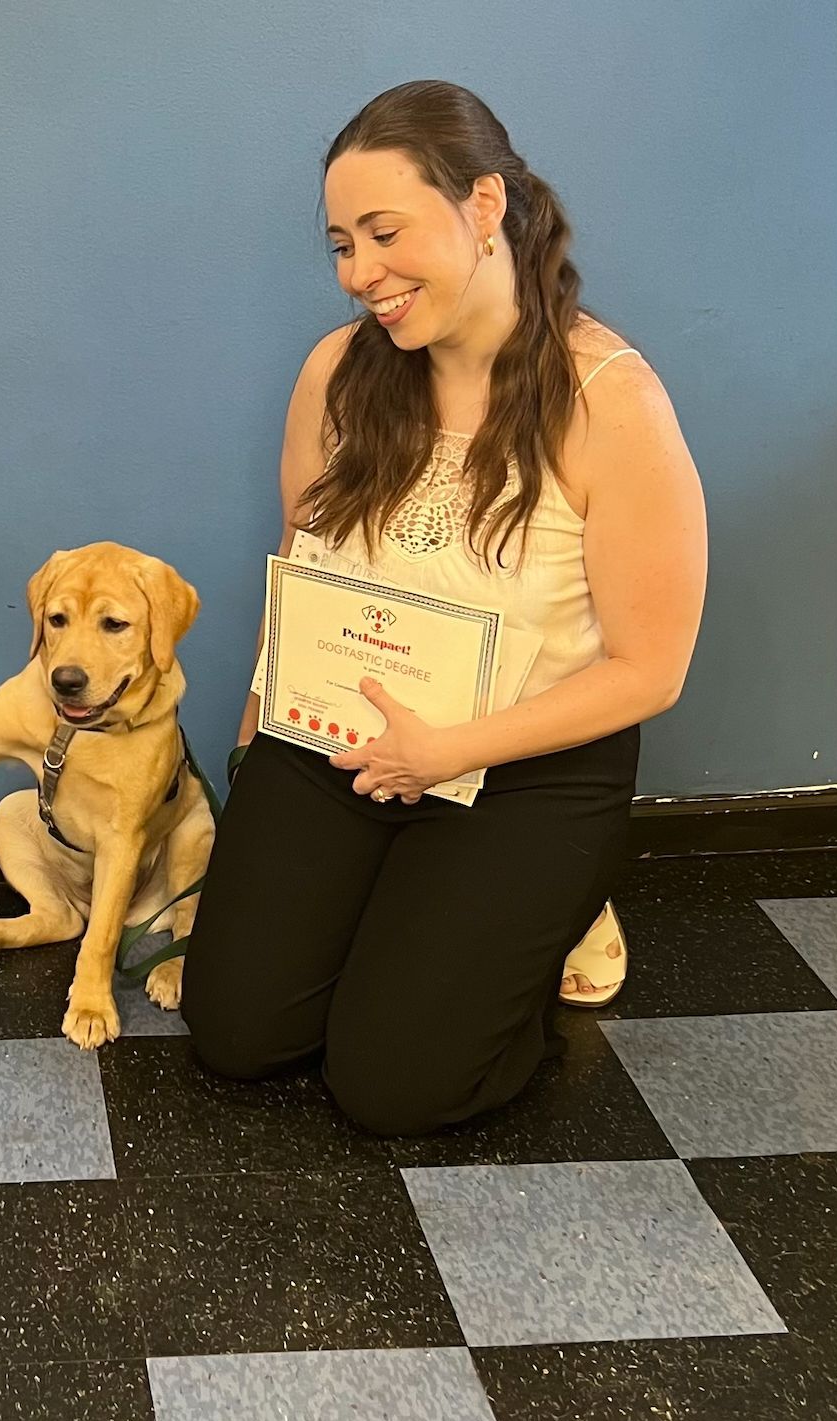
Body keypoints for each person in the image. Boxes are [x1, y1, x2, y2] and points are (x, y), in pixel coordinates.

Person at [180, 82, 706, 1134]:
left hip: (523, 768)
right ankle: (410, 918)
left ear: (480, 208)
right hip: (336, 741)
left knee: (395, 1085)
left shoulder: (610, 399)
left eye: (383, 232)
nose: (358, 273)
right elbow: (302, 569)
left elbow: (650, 671)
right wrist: (250, 742)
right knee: (236, 1034)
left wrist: (446, 751)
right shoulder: (336, 373)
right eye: (339, 245)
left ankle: (549, 921)